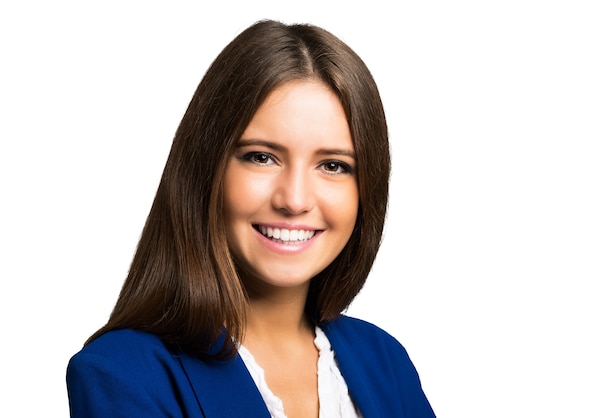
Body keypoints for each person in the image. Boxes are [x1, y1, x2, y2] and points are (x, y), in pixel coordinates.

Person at [66, 19, 436, 417]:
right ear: (206, 170)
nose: (294, 200)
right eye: (261, 157)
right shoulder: (122, 374)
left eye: (332, 165)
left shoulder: (386, 361)